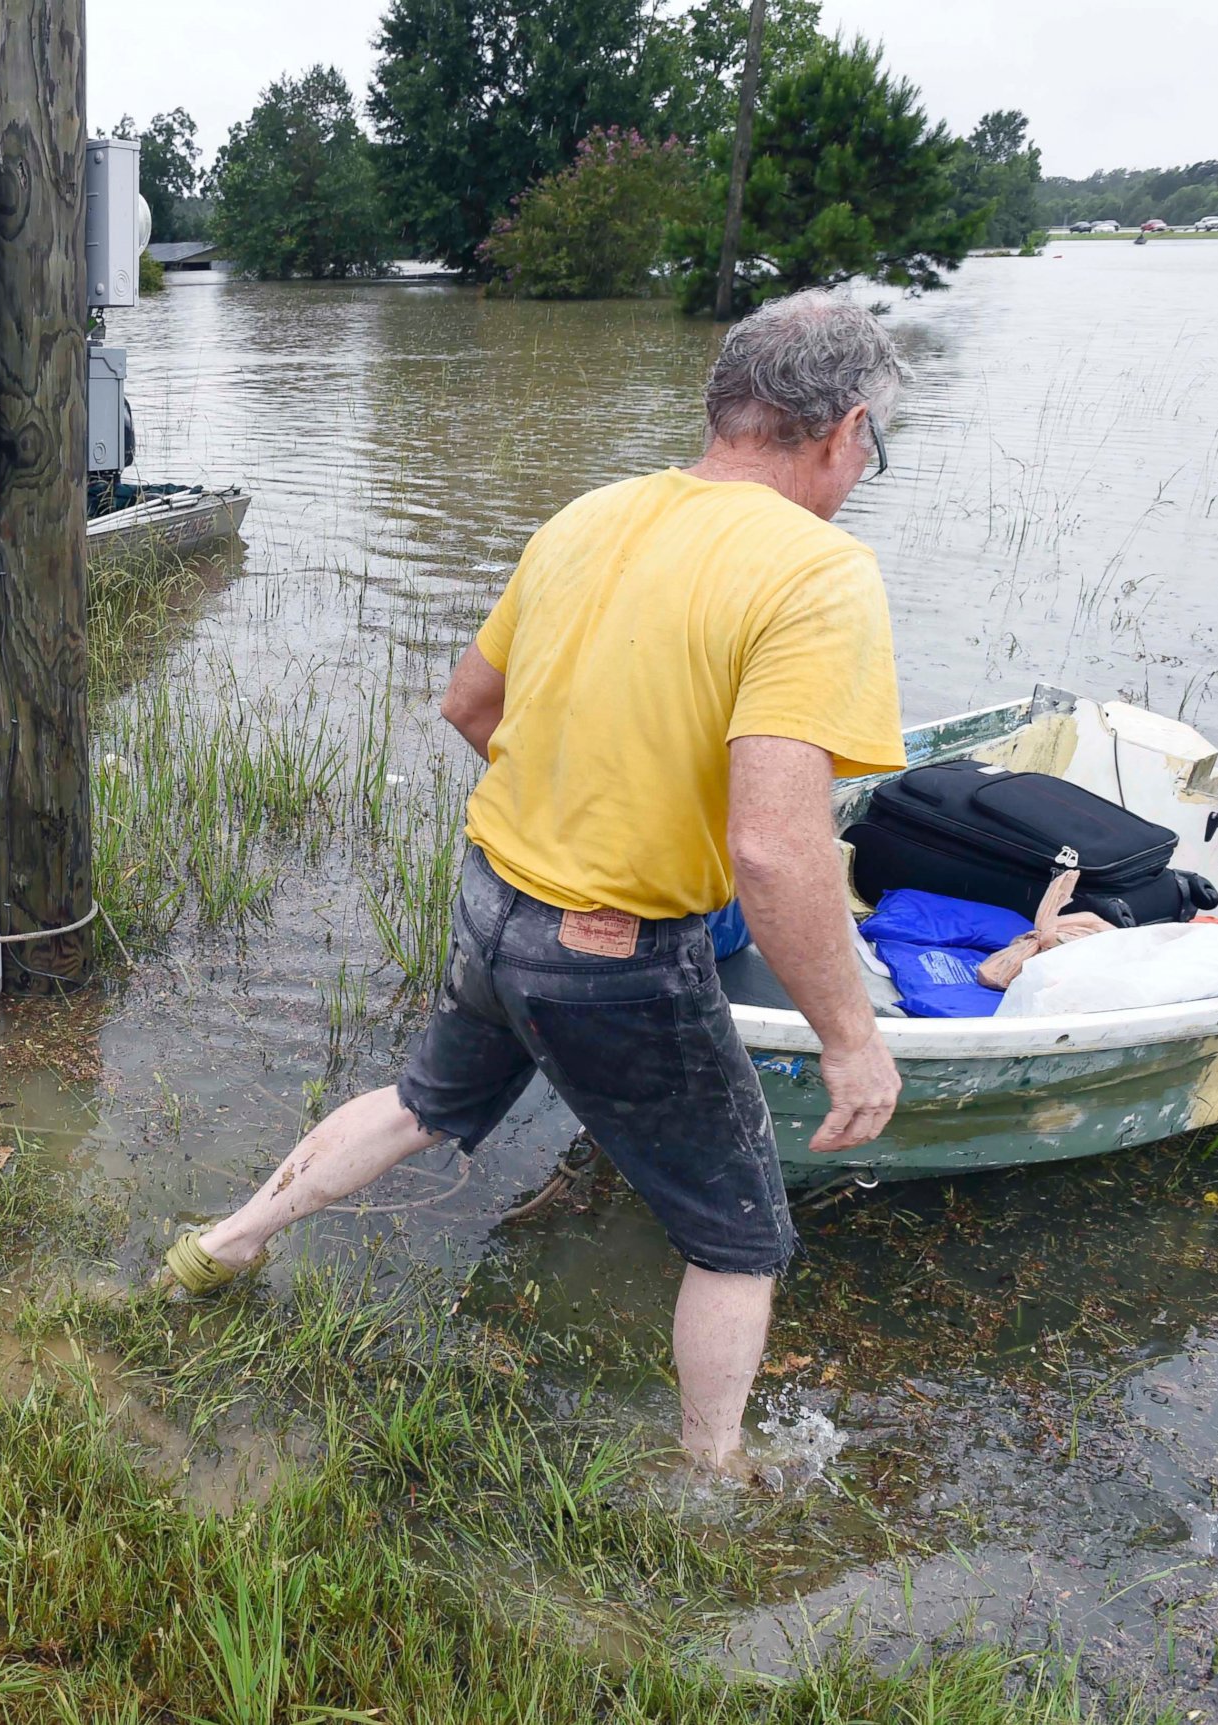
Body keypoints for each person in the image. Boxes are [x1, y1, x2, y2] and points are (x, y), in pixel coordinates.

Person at [159, 289, 911, 1476]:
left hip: (490, 894)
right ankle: (715, 1479)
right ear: (843, 429)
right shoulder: (819, 573)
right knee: (741, 1239)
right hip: (613, 951)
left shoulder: (590, 513)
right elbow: (776, 847)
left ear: (727, 406)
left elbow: (471, 706)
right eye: (875, 446)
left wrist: (576, 809)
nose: (865, 468)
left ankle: (223, 1247)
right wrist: (851, 1039)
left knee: (422, 1104)